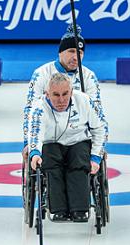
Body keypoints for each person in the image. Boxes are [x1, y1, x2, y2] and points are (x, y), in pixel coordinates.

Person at [26, 73, 108, 223]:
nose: (61, 100)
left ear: (71, 92)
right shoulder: (39, 108)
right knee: (51, 165)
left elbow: (101, 128)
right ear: (47, 94)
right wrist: (35, 154)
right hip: (50, 144)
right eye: (56, 95)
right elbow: (35, 134)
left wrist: (96, 157)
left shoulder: (84, 101)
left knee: (79, 162)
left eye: (65, 94)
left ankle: (80, 209)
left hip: (78, 141)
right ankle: (58, 209)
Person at [23, 26, 102, 157]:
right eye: (71, 51)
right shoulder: (41, 74)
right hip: (49, 139)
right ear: (60, 52)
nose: (76, 57)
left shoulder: (89, 76)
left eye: (80, 53)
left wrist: (97, 150)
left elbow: (97, 113)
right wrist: (28, 143)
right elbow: (31, 111)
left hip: (78, 138)